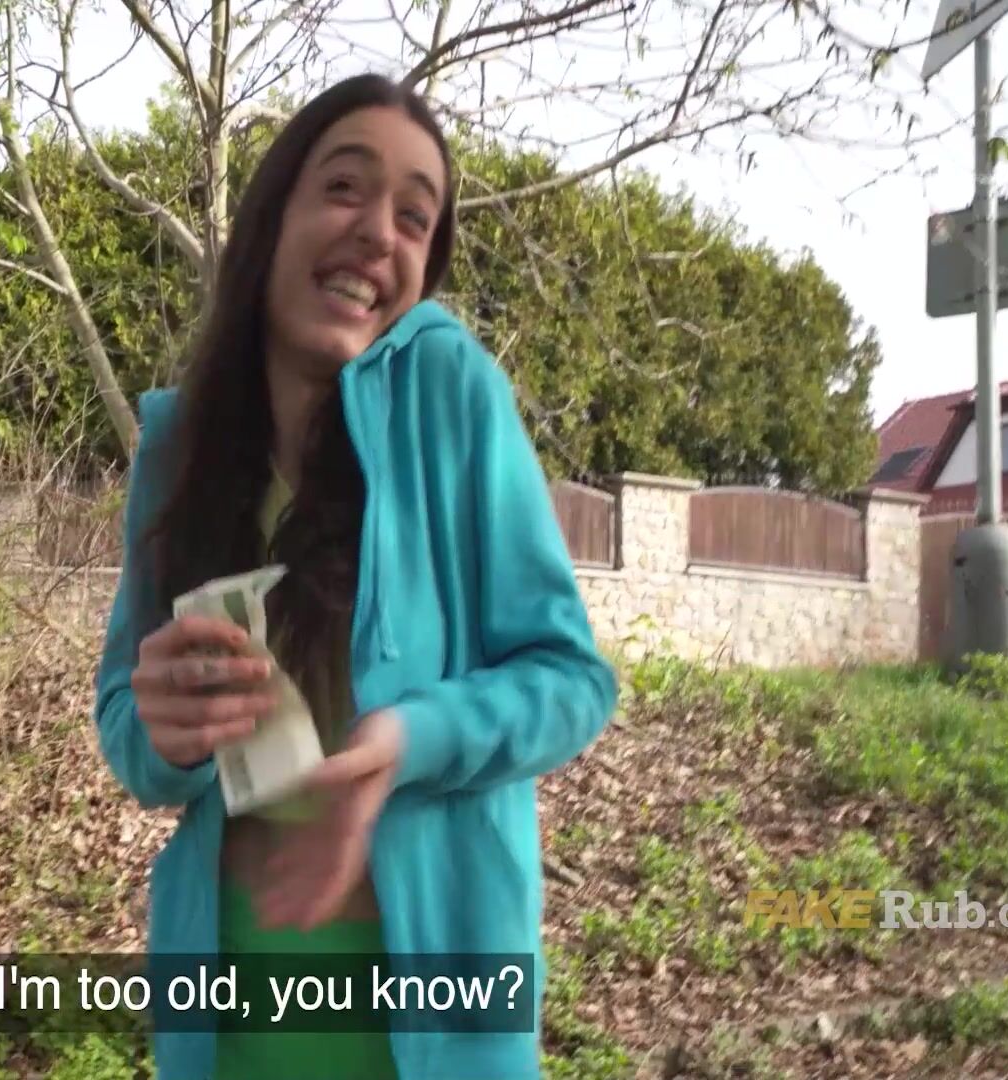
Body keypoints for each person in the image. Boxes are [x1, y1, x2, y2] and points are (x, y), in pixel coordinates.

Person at [91, 71, 618, 1080]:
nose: (379, 232)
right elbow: (127, 722)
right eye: (344, 187)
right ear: (274, 217)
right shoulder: (178, 447)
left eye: (414, 218)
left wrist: (407, 739)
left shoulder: (452, 397)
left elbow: (571, 681)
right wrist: (163, 731)